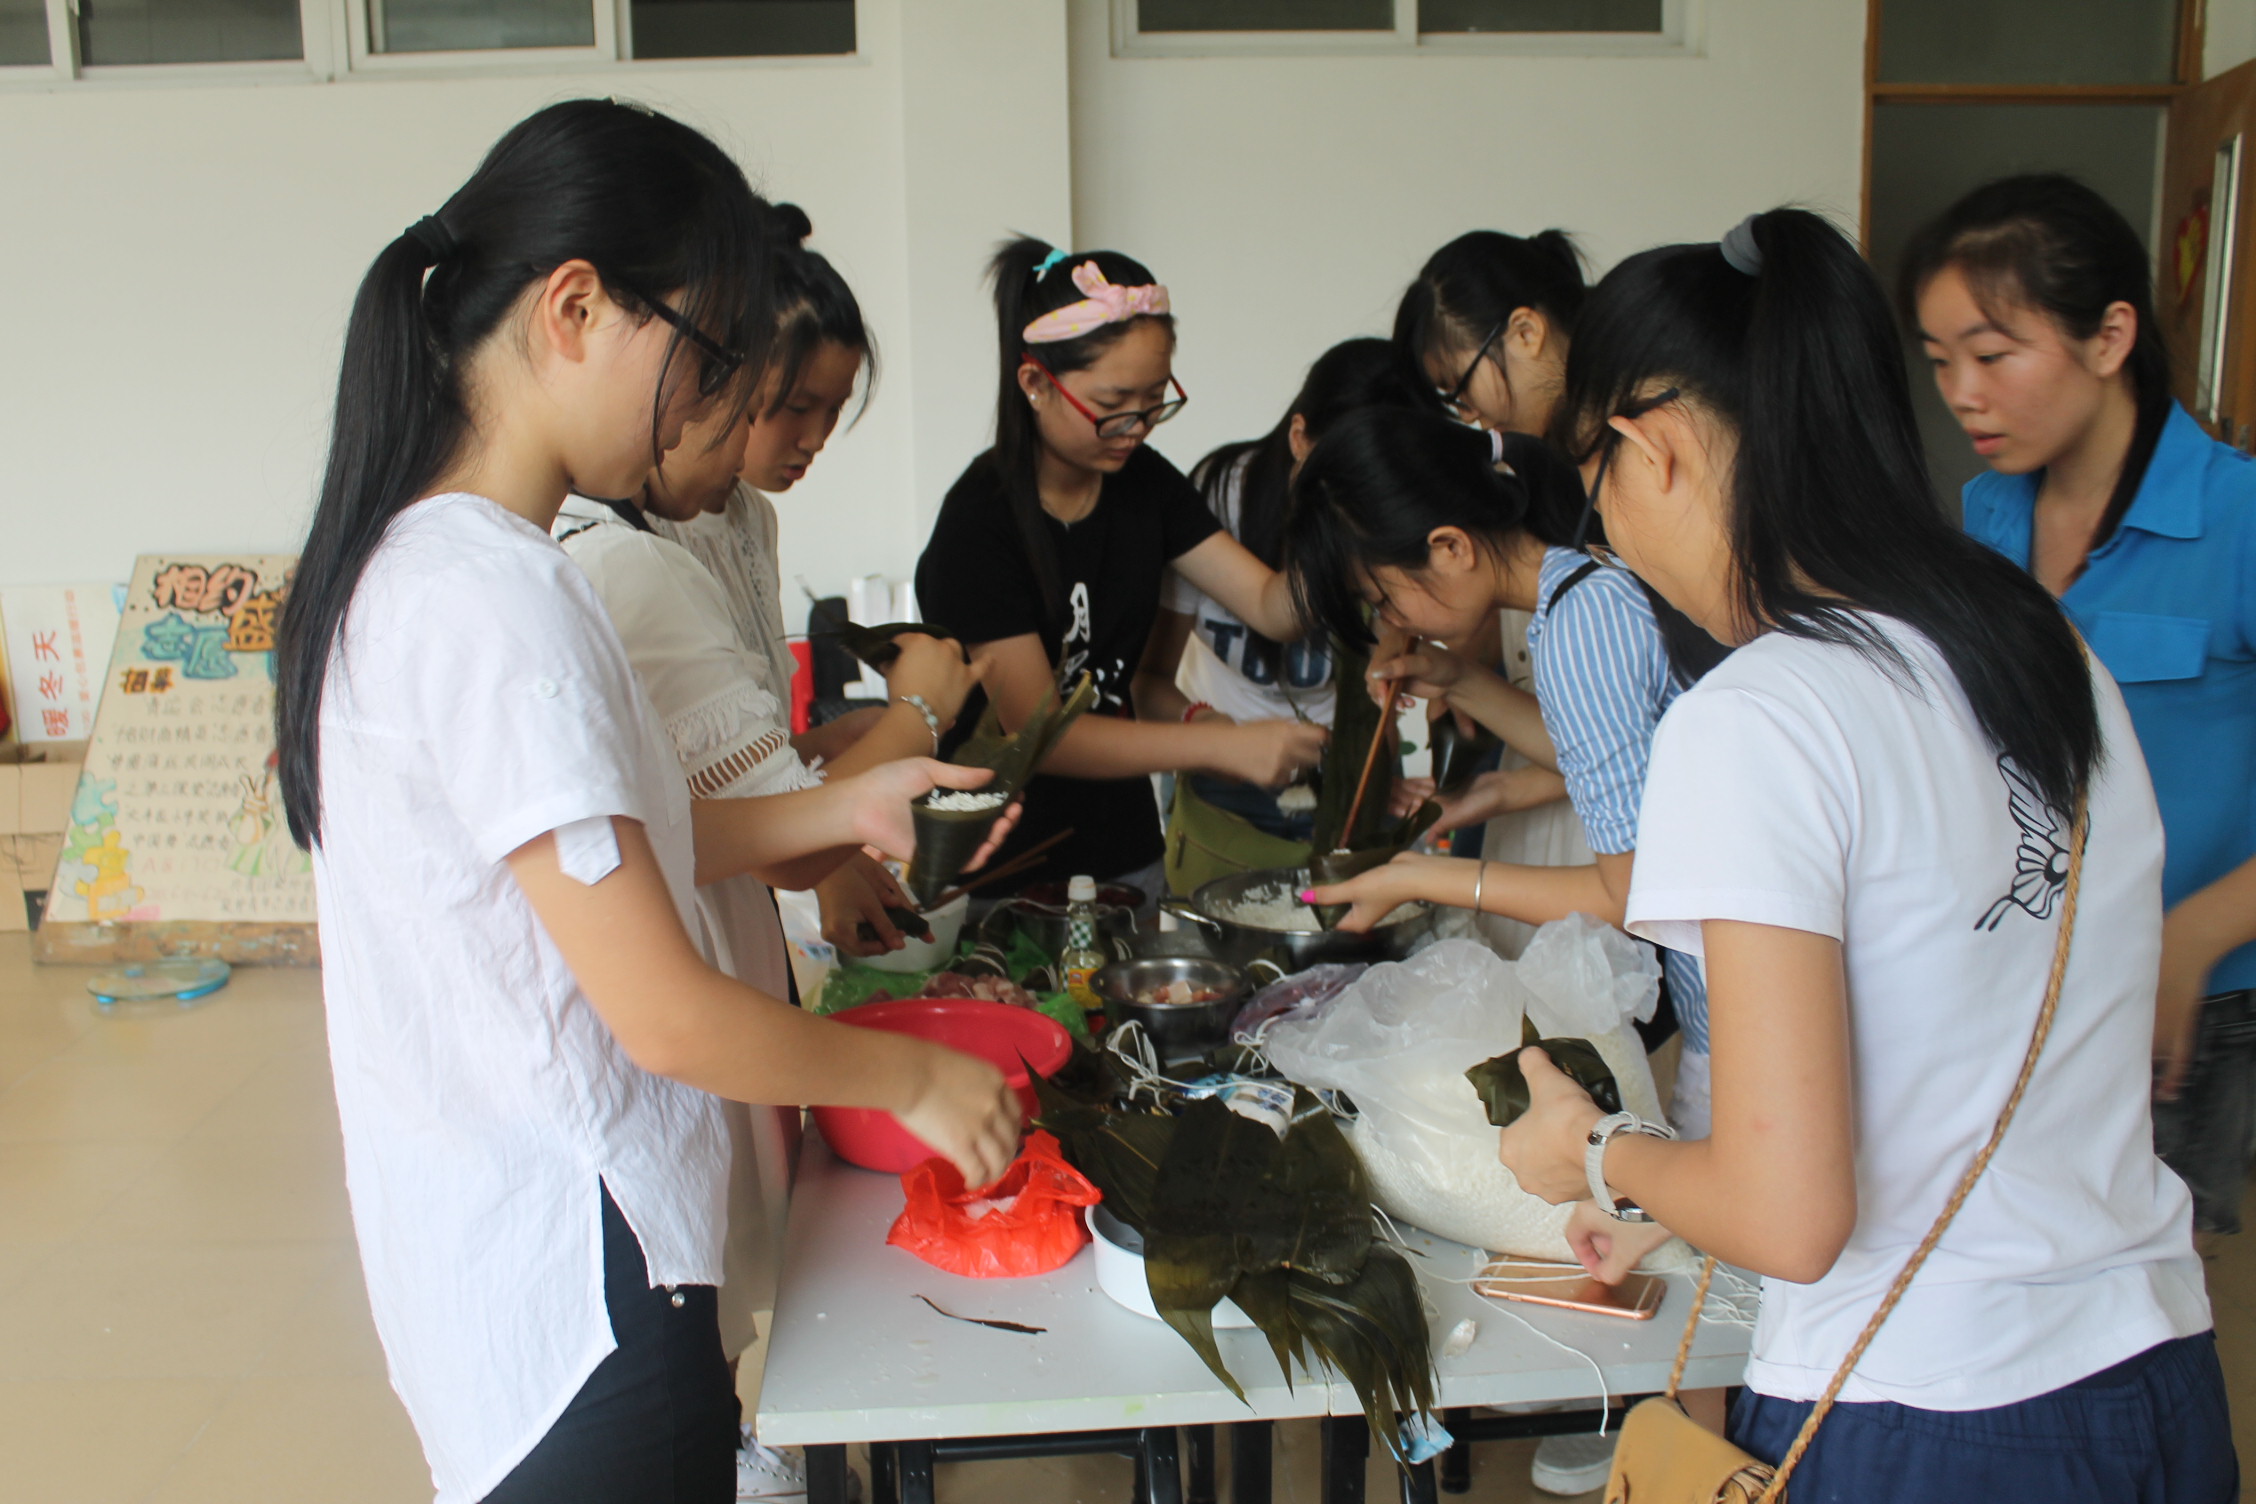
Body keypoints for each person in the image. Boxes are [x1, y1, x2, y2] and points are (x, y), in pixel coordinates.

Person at [273, 101, 1022, 1504]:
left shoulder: (418, 563)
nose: (721, 411)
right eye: (710, 357)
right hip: (587, 1279)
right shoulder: (505, 598)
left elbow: (602, 856)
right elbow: (665, 1013)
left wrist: (838, 814)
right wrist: (917, 1076)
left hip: (495, 1266)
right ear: (575, 308)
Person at [1498, 207, 2230, 1501]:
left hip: (1929, 1417)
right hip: (2154, 1376)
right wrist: (1681, 1194)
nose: (1604, 537)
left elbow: (1792, 1216)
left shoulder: (1759, 715)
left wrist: (1591, 1148)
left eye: (1592, 488)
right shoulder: (2041, 649)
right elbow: (1960, 1035)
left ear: (1647, 444)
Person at [1901, 173, 2256, 1243]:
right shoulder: (1986, 514)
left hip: (2202, 998)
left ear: (2109, 337)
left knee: (2156, 1293)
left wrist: (2190, 939)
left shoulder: (2237, 516)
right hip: (2031, 978)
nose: (1963, 392)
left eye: (1994, 355)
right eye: (1940, 362)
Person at [1290, 409, 1716, 1135]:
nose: (1390, 618)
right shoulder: (1585, 581)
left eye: (1384, 596)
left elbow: (1629, 894)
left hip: (1739, 999)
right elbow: (1604, 750)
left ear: (1450, 546)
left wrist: (1416, 876)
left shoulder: (1579, 621)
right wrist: (1454, 676)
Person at [914, 238, 1328, 902]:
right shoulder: (979, 522)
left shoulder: (1146, 486)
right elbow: (1040, 733)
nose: (1137, 426)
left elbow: (1274, 607)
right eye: (1113, 404)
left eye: (1156, 399)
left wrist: (1336, 497)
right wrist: (1218, 747)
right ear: (1035, 385)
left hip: (1127, 851)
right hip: (1002, 865)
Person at [650, 204, 957, 961]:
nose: (816, 439)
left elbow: (734, 757)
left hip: (743, 903)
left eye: (835, 409)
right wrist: (916, 714)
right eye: (794, 409)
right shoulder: (639, 549)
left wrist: (828, 747)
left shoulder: (748, 515)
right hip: (684, 919)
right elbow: (754, 824)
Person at [1146, 337, 1429, 855]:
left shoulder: (1389, 515)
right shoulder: (1215, 501)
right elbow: (1148, 685)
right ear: (1300, 436)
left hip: (1339, 774)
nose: (1359, 501)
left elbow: (1385, 677)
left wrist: (1378, 772)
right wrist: (1217, 734)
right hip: (1221, 778)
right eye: (1345, 477)